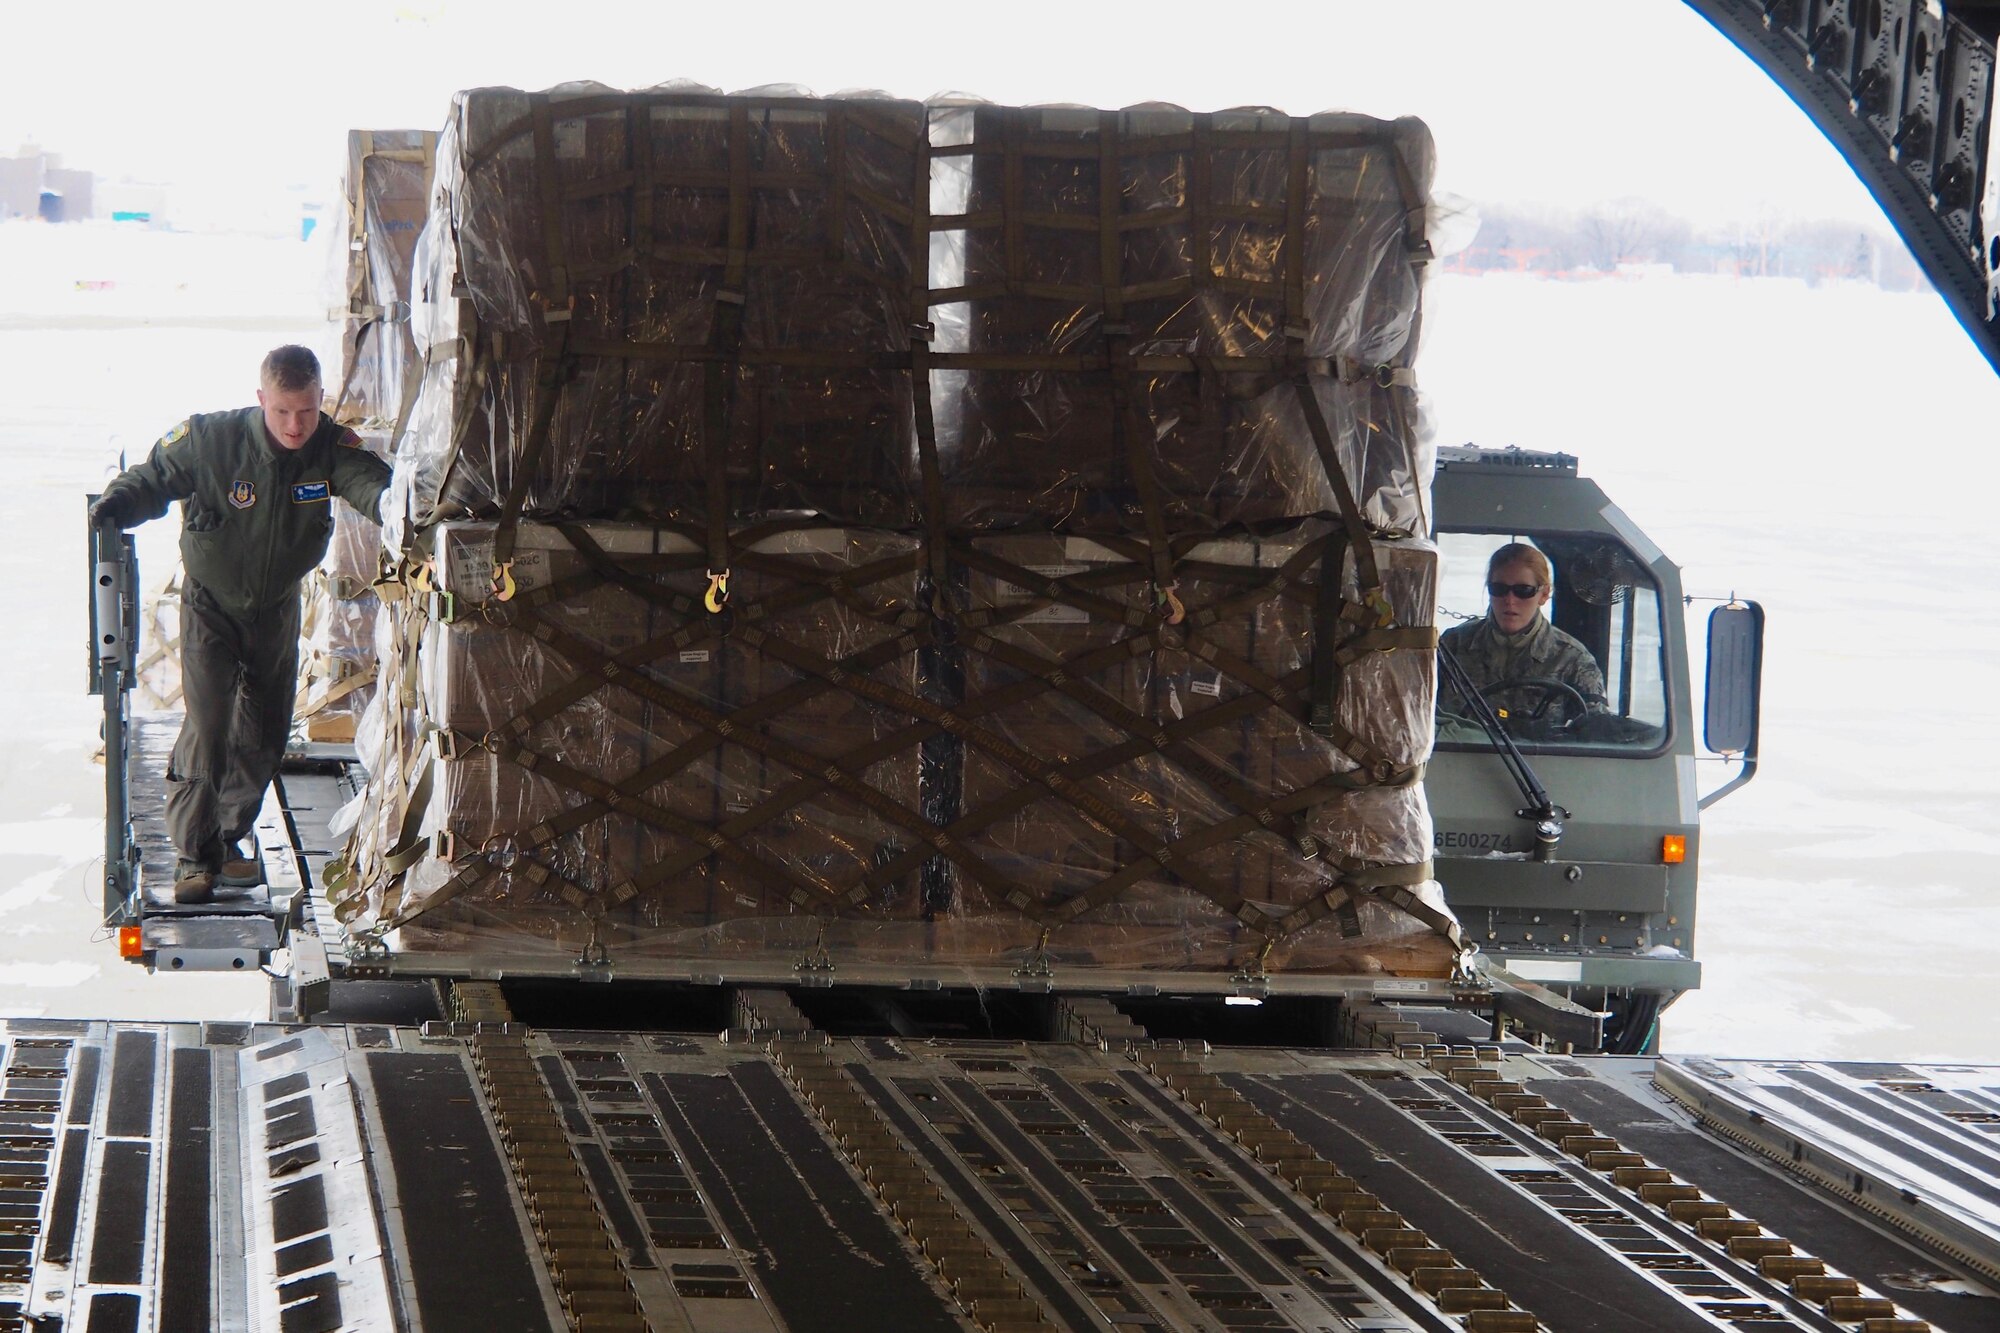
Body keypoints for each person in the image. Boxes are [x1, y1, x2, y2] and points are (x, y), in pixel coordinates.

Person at [90, 346, 391, 904]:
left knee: (264, 732)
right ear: (261, 401)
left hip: (276, 607)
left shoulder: (329, 445)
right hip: (211, 606)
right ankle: (192, 856)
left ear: (319, 400)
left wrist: (400, 509)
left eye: (305, 410)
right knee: (208, 727)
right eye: (282, 412)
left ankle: (227, 838)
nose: (295, 425)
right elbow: (153, 479)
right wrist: (117, 504)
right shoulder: (212, 441)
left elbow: (369, 484)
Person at [1438, 542, 1606, 729]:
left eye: (1523, 591)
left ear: (1543, 595)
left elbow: (1598, 730)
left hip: (1538, 759)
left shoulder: (1573, 660)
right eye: (1499, 589)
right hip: (1456, 757)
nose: (1510, 601)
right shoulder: (1451, 646)